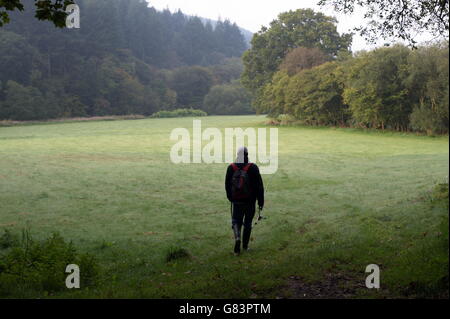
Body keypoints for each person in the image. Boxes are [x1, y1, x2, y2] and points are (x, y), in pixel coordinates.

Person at [225, 146, 264, 255]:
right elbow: (259, 186)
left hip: (237, 201)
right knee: (248, 222)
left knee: (236, 221)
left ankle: (237, 237)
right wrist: (260, 202)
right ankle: (245, 246)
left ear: (237, 155)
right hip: (250, 201)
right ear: (247, 155)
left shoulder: (231, 167)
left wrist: (230, 197)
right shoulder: (253, 167)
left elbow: (227, 185)